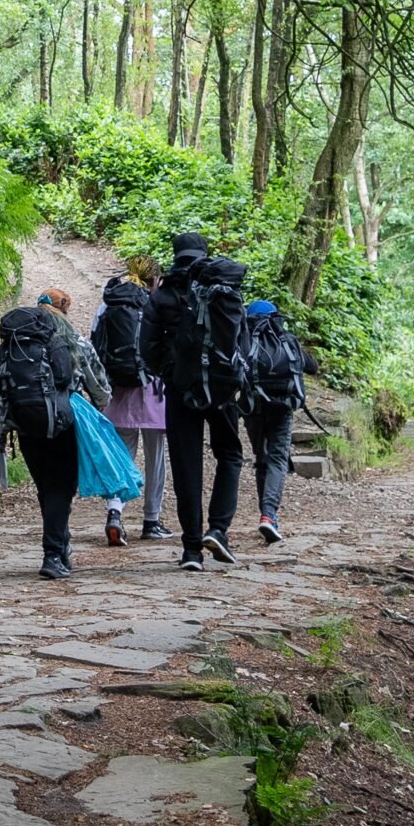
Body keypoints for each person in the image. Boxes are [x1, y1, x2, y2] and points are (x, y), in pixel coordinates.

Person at [140, 229, 251, 572]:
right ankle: (218, 528)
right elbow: (242, 341)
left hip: (179, 391)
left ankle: (191, 551)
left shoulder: (164, 293)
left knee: (186, 467)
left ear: (175, 255)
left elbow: (147, 347)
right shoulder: (222, 287)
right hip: (220, 389)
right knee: (230, 454)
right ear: (205, 253)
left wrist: (171, 372)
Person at [0, 288, 111, 579]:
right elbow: (102, 390)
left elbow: (3, 394)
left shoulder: (15, 347)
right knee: (60, 488)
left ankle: (60, 544)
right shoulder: (76, 342)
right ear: (65, 310)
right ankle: (53, 553)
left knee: (47, 487)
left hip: (25, 425)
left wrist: (1, 431)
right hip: (64, 424)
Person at [92, 257, 169, 546]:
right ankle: (152, 520)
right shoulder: (157, 303)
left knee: (121, 458)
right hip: (153, 390)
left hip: (119, 390)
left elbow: (95, 342)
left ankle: (115, 513)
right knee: (155, 460)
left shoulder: (109, 302)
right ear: (155, 280)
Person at [241, 297, 306, 543]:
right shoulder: (286, 340)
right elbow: (311, 366)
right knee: (278, 458)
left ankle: (266, 514)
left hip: (253, 408)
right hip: (282, 407)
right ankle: (269, 516)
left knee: (262, 459)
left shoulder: (244, 340)